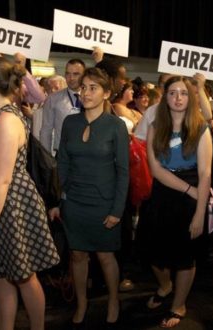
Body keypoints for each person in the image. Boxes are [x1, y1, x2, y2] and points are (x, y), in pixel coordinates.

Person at [0, 55, 59, 330]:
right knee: (3, 274)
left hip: (9, 205)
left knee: (23, 275)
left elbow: (3, 181)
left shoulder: (6, 120)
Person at [49, 67, 129, 328]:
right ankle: (82, 303)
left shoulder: (116, 126)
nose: (86, 92)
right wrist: (62, 196)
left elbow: (123, 172)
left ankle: (114, 299)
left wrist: (117, 210)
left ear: (106, 93)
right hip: (74, 203)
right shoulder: (70, 122)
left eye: (93, 87)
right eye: (83, 87)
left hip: (104, 203)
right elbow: (62, 161)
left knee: (106, 256)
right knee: (77, 256)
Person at [136, 75, 212, 328]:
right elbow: (156, 170)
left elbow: (205, 174)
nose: (178, 98)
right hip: (162, 195)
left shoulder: (201, 128)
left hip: (191, 198)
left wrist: (200, 212)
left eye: (183, 93)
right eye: (172, 93)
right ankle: (165, 286)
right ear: (164, 96)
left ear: (190, 98)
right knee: (153, 252)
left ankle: (179, 303)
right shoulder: (156, 126)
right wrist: (188, 189)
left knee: (185, 257)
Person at [39, 59, 86, 153]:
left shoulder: (91, 98)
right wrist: (46, 159)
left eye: (76, 74)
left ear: (84, 76)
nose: (71, 78)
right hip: (63, 154)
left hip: (87, 154)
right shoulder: (53, 99)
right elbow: (46, 131)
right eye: (68, 74)